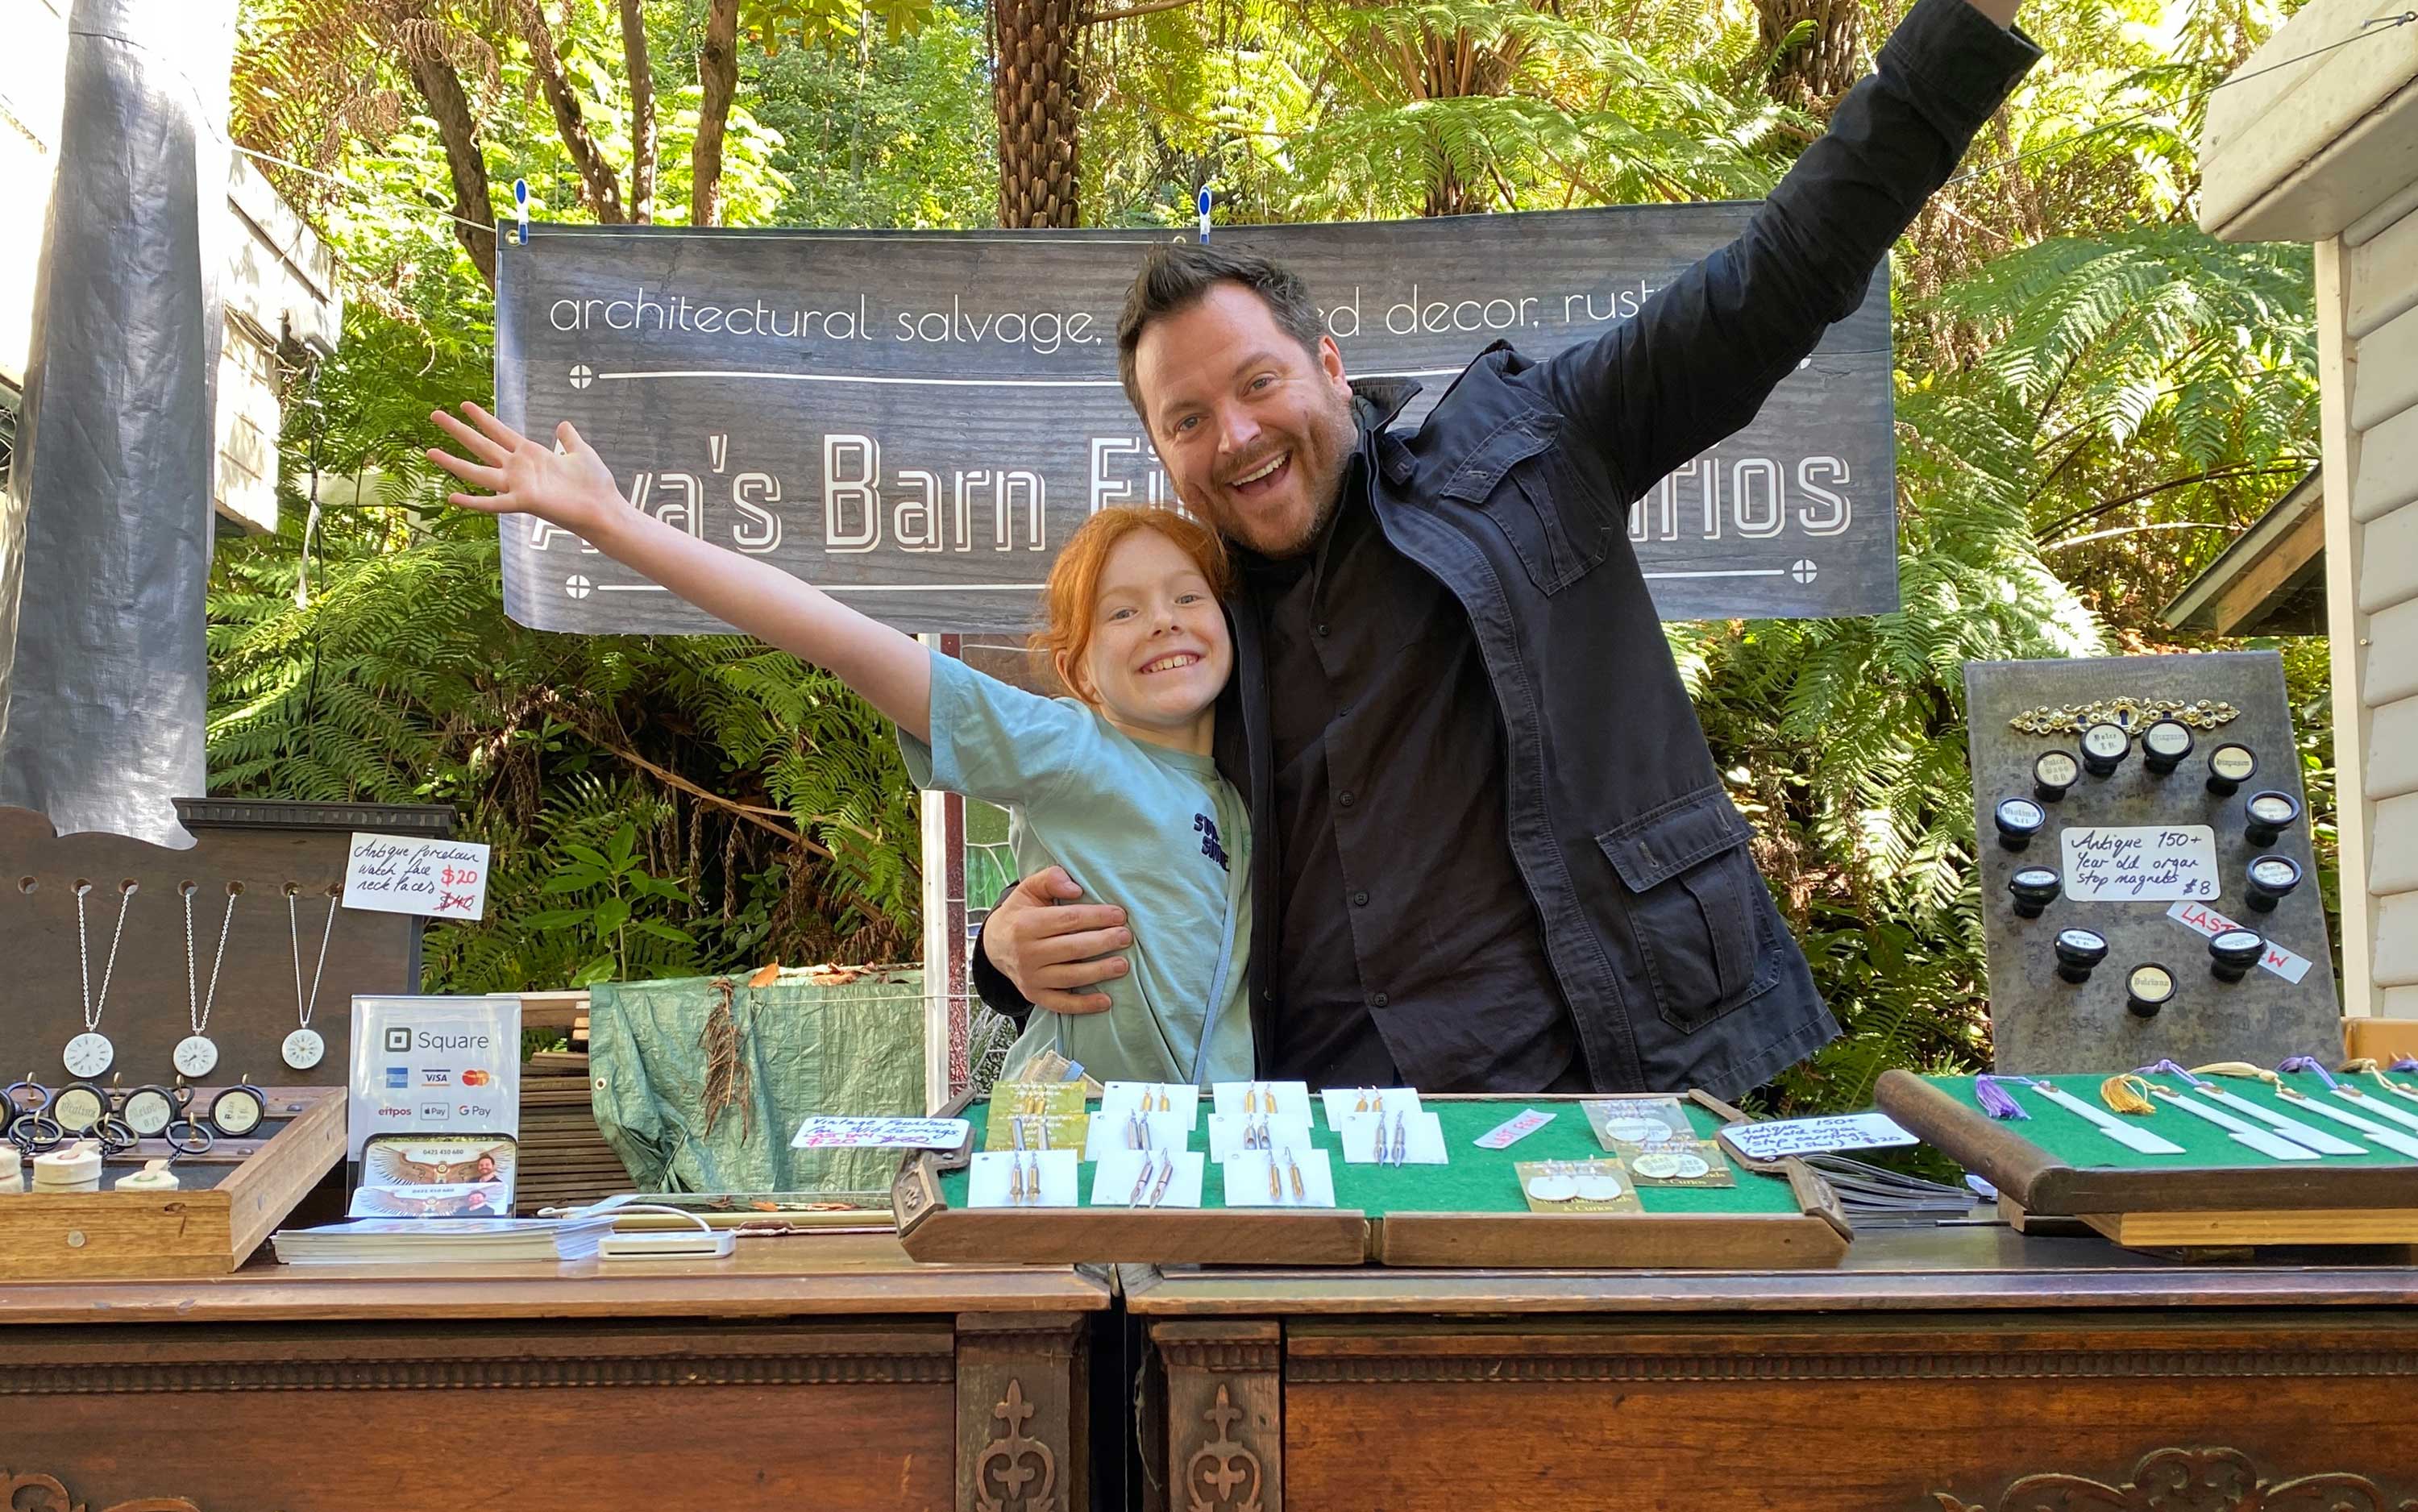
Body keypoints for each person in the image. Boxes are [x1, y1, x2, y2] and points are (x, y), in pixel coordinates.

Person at [974, 0, 2040, 1099]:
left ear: (1330, 368)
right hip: (1313, 1141)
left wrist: (1962, 31)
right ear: (1161, 451)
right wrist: (1002, 950)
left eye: (1257, 384)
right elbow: (1120, 816)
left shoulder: (1535, 452)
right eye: (1186, 419)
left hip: (1592, 1099)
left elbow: (1778, 276)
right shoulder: (1198, 627)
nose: (1235, 435)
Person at [426, 409, 1254, 1089]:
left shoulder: (1247, 798)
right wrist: (613, 522)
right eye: (1122, 611)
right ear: (1079, 672)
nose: (1163, 620)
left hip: (1225, 1156)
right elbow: (844, 640)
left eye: (1188, 596)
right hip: (1075, 1153)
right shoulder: (1069, 746)